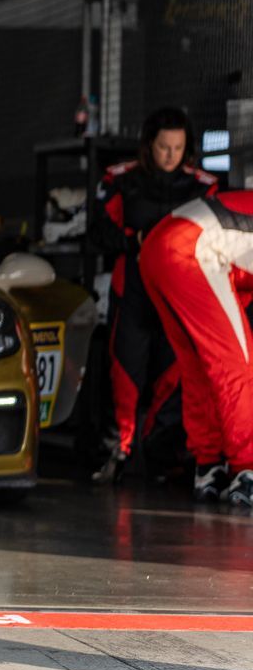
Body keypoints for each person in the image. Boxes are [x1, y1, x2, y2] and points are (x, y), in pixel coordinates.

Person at [91, 108, 218, 481]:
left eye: (178, 147)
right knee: (124, 375)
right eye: (163, 146)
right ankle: (118, 454)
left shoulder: (204, 186)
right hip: (132, 291)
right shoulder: (120, 179)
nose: (170, 155)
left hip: (180, 296)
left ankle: (162, 458)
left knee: (173, 377)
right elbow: (97, 233)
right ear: (149, 145)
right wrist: (135, 241)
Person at [138, 191, 253, 506]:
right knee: (237, 365)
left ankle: (208, 465)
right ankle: (248, 470)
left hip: (158, 250)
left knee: (199, 368)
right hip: (193, 250)